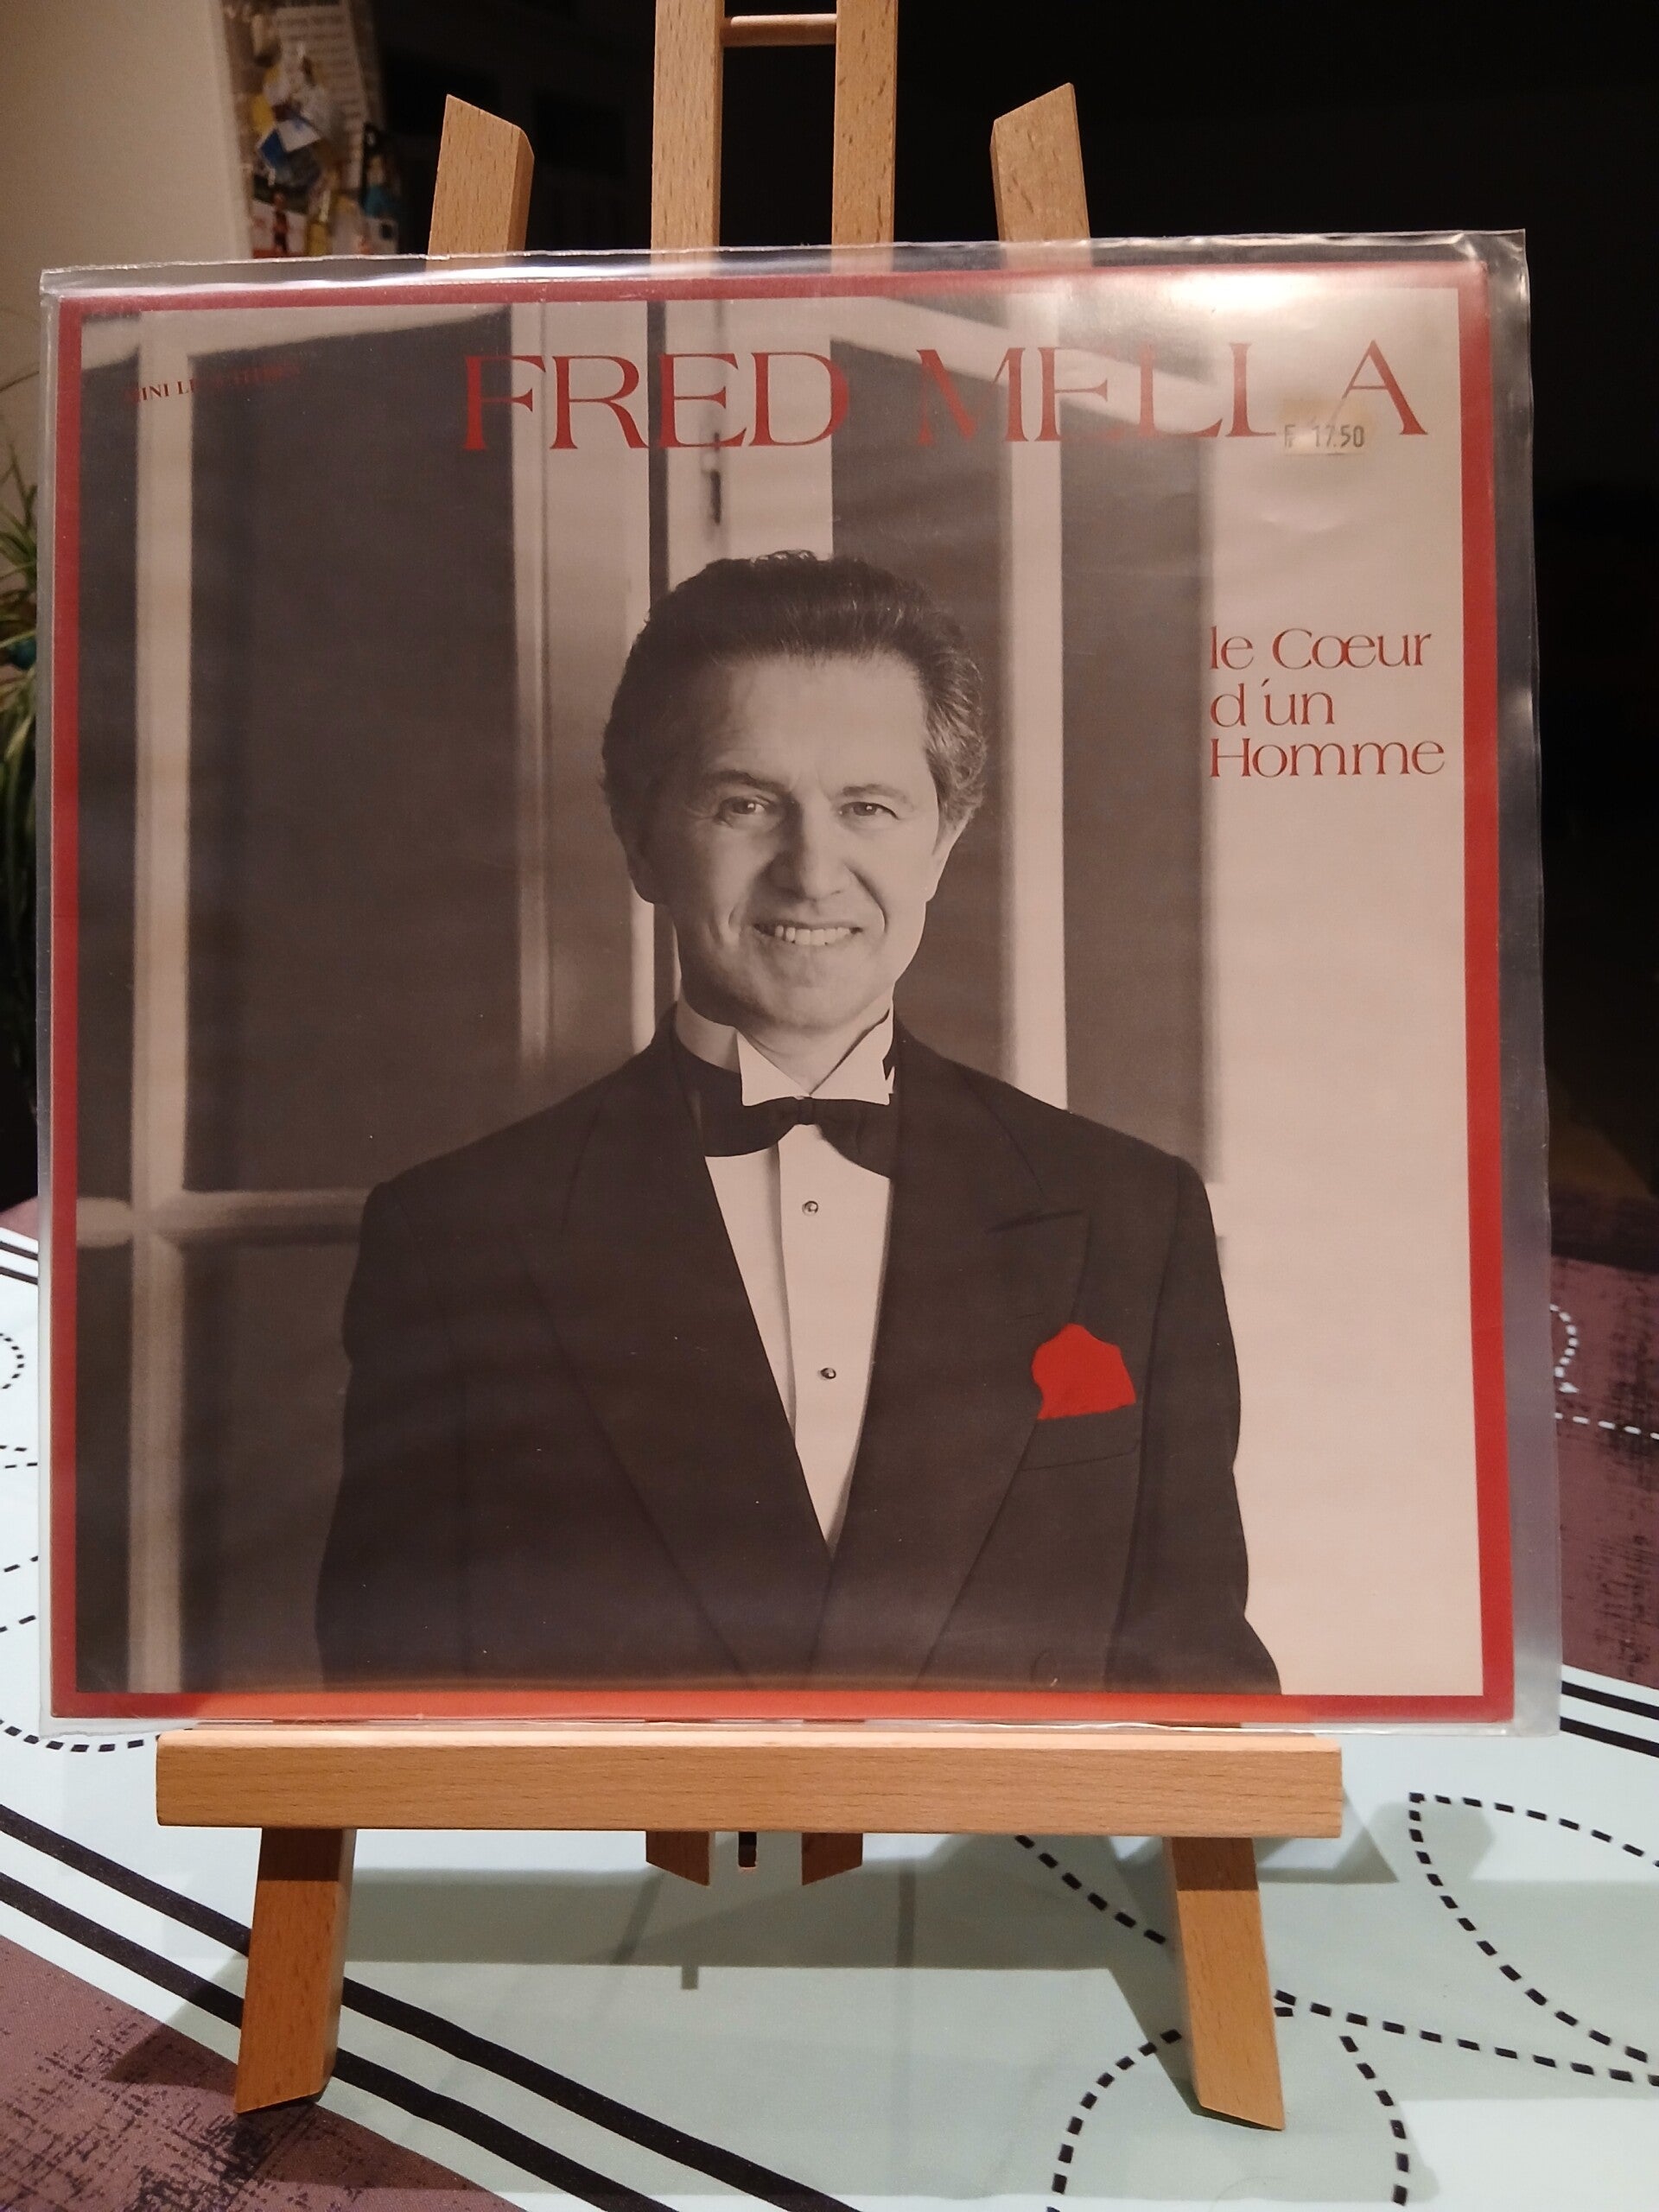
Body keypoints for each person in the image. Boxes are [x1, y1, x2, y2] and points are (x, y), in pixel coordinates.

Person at [316, 552, 1279, 1694]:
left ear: (944, 840)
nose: (813, 872)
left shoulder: (1134, 1219)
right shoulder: (453, 1239)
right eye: (746, 805)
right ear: (641, 839)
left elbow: (1200, 1697)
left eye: (867, 807)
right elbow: (400, 1715)